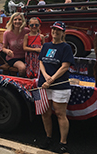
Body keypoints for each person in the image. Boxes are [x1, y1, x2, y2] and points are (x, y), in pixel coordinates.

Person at [38, 21, 74, 153]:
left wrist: (52, 79)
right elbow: (41, 61)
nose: (55, 32)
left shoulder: (66, 47)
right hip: (43, 84)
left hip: (60, 85)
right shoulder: (46, 45)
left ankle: (63, 142)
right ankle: (48, 137)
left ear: (63, 32)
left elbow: (65, 66)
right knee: (45, 113)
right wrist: (46, 76)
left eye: (58, 30)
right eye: (53, 29)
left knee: (60, 113)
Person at [2, 12, 30, 77]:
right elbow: (3, 48)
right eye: (15, 20)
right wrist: (7, 51)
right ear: (12, 21)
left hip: (26, 56)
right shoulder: (7, 33)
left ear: (22, 21)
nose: (17, 21)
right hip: (13, 57)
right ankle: (21, 84)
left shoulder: (27, 31)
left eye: (19, 19)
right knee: (22, 68)